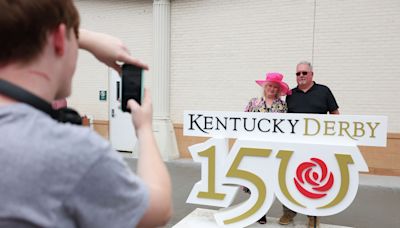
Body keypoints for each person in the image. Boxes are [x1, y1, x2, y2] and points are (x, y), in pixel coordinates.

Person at [0, 1, 171, 228]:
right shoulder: (71, 152)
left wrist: (75, 35)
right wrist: (145, 128)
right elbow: (159, 209)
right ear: (60, 39)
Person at [279, 61, 339, 228]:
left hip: (318, 147)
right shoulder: (290, 94)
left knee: (314, 181)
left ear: (312, 74)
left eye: (304, 73)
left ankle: (313, 216)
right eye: (298, 73)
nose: (301, 76)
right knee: (290, 177)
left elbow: (335, 115)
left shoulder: (324, 91)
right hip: (295, 146)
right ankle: (288, 212)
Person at [244, 72, 291, 224]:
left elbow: (286, 127)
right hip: (255, 148)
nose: (272, 89)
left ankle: (263, 208)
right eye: (269, 86)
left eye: (275, 87)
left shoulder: (282, 105)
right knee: (256, 180)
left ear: (278, 89)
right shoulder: (253, 102)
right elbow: (242, 122)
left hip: (274, 149)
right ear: (265, 87)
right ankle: (258, 212)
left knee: (269, 181)